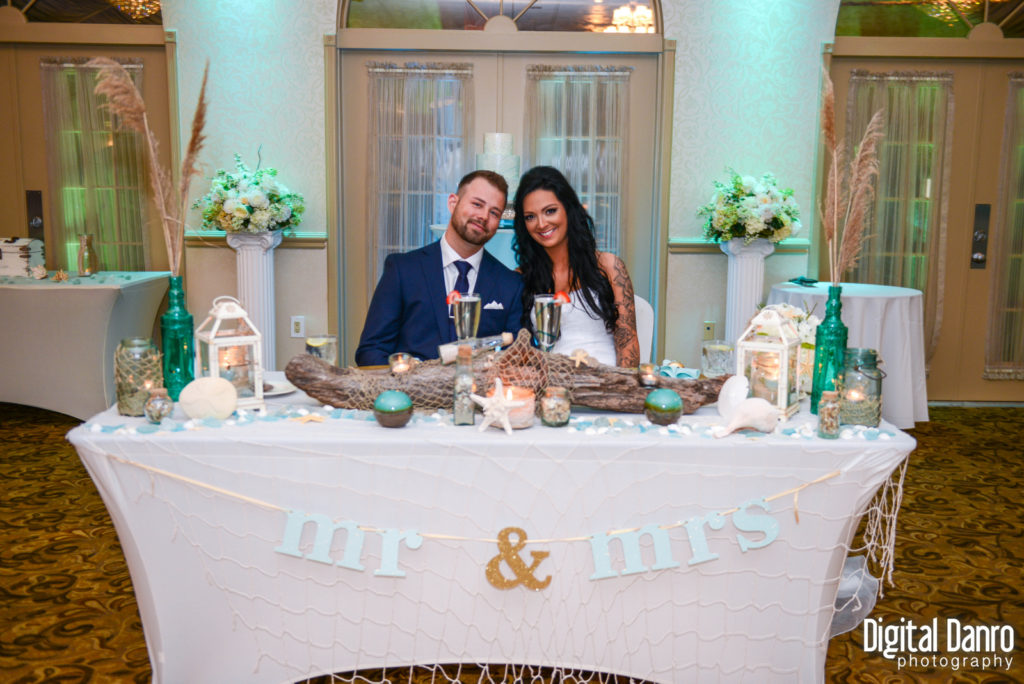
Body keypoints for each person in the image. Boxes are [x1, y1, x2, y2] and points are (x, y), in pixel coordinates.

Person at [355, 170, 524, 366]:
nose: (484, 216)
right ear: (453, 203)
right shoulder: (402, 270)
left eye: (494, 212)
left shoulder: (511, 285)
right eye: (477, 204)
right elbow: (371, 350)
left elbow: (515, 360)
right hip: (411, 393)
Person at [513, 165, 640, 367]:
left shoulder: (609, 266)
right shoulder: (521, 278)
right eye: (530, 216)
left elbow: (628, 347)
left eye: (550, 211)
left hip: (607, 385)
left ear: (568, 209)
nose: (541, 223)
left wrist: (620, 390)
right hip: (553, 389)